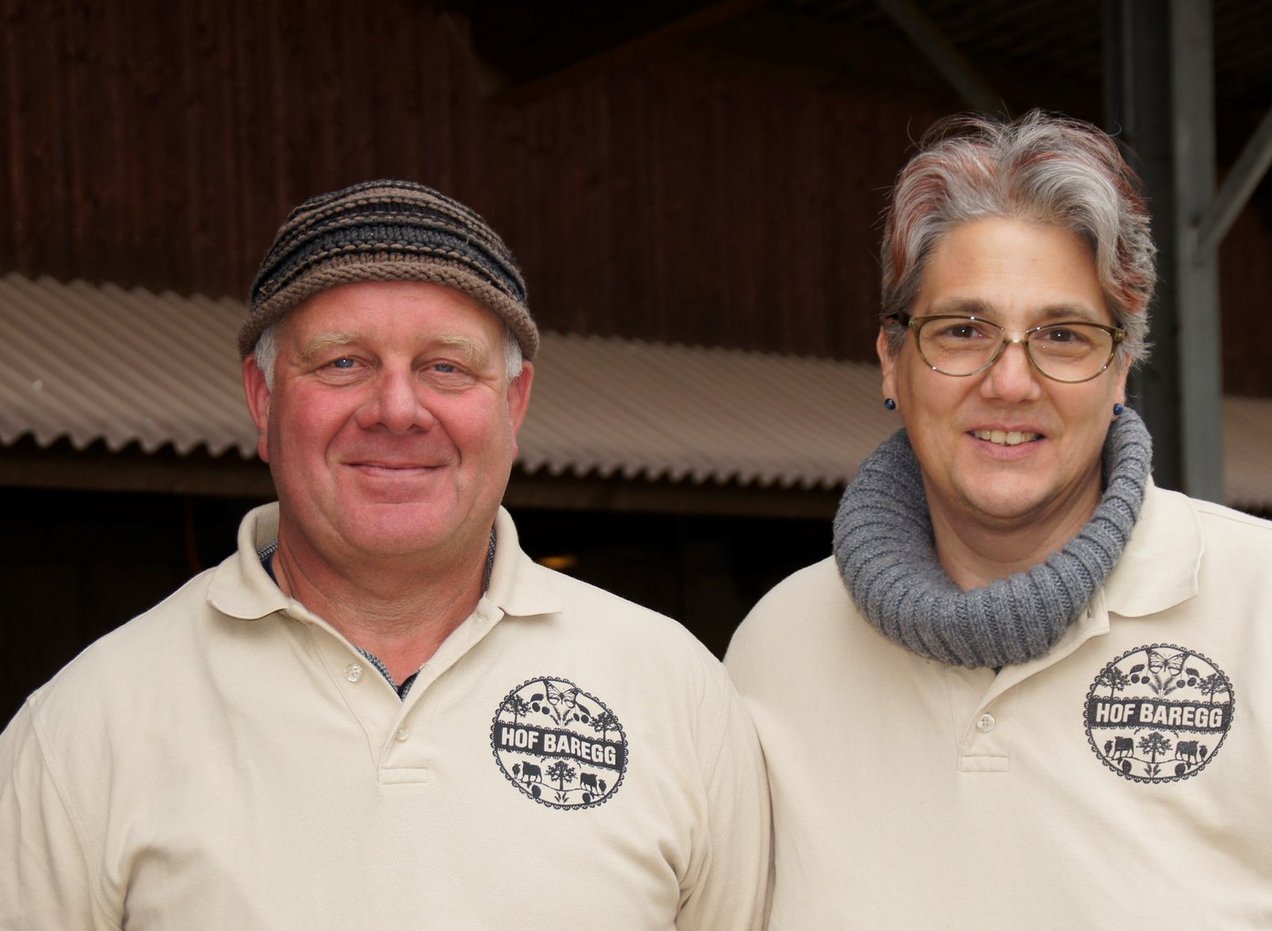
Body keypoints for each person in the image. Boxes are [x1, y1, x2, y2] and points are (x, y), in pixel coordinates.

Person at [0, 180, 769, 928]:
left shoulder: (677, 691)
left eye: (446, 367)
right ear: (263, 398)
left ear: (513, 403)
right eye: (343, 362)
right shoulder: (83, 728)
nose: (397, 410)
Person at [725, 111, 1272, 927]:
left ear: (1120, 370)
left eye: (1064, 335)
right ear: (892, 361)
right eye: (963, 330)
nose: (1011, 382)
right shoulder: (776, 651)